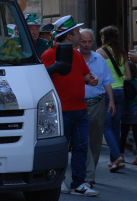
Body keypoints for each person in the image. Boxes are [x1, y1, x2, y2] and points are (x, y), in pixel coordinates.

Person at [41, 15, 99, 196]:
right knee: (61, 150)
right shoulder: (49, 54)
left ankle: (79, 183)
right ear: (68, 36)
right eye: (76, 32)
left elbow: (85, 75)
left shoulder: (77, 55)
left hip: (80, 110)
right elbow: (42, 80)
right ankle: (59, 181)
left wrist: (91, 79)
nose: (79, 35)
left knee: (81, 146)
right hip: (61, 112)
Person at [78, 28, 115, 185]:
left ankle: (89, 172)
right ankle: (88, 175)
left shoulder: (99, 59)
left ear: (93, 42)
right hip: (79, 104)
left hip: (98, 103)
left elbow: (107, 81)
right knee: (82, 140)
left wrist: (111, 101)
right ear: (78, 42)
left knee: (95, 141)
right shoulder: (74, 58)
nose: (87, 45)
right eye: (83, 41)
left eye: (89, 41)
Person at [96, 25, 131, 172]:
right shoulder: (122, 53)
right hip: (121, 92)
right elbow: (128, 76)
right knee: (116, 127)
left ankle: (117, 156)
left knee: (106, 126)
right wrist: (119, 78)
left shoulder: (100, 52)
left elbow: (97, 73)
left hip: (107, 92)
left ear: (103, 38)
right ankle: (114, 160)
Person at [120, 61, 137, 165]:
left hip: (126, 109)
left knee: (123, 135)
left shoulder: (123, 82)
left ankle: (120, 155)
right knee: (136, 134)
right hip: (136, 109)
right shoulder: (136, 81)